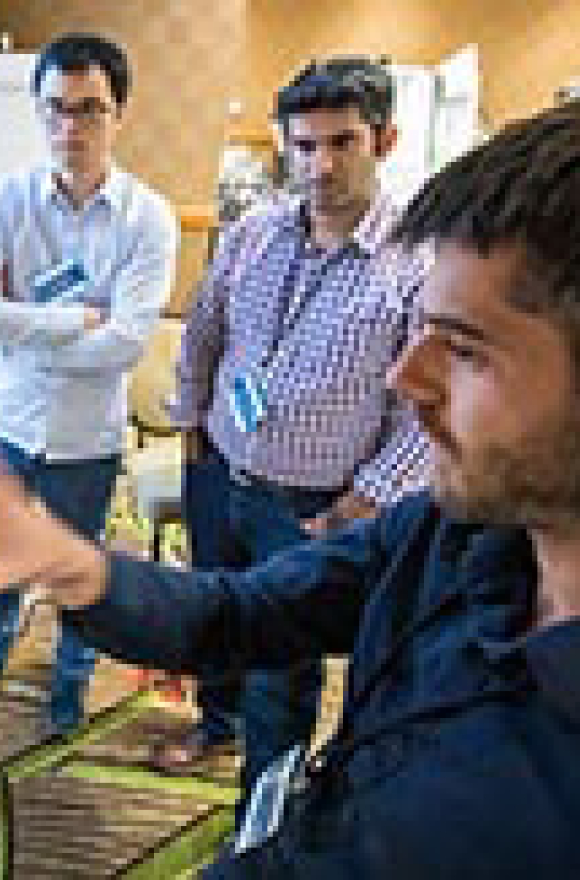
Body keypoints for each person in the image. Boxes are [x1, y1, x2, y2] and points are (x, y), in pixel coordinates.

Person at [0, 71, 580, 878]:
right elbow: (241, 614)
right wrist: (81, 569)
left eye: (468, 350)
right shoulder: (457, 534)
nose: (405, 378)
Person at [156, 59, 430, 795]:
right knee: (213, 612)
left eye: (343, 143)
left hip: (316, 504)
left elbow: (426, 415)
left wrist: (360, 504)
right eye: (304, 146)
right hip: (221, 472)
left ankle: (264, 809)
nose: (321, 165)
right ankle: (217, 723)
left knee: (283, 665)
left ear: (386, 139)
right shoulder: (254, 232)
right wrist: (191, 431)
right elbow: (204, 332)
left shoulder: (417, 260)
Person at [0, 33, 177, 738]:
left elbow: (127, 343)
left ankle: (70, 684)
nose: (69, 128)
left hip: (86, 437)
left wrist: (26, 330)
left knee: (77, 568)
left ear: (119, 114)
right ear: (36, 109)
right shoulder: (5, 202)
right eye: (55, 109)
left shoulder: (150, 219)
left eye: (88, 110)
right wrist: (72, 321)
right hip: (3, 418)